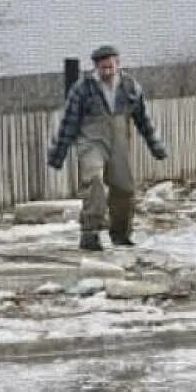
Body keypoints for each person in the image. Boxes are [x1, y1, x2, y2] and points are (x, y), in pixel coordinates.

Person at [47, 45, 168, 251]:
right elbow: (69, 122)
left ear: (118, 65)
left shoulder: (130, 87)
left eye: (110, 67)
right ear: (96, 67)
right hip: (91, 140)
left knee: (124, 188)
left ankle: (121, 234)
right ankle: (90, 232)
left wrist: (156, 146)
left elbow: (143, 120)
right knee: (94, 181)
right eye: (103, 68)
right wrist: (58, 154)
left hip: (120, 139)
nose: (107, 72)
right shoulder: (83, 88)